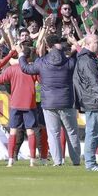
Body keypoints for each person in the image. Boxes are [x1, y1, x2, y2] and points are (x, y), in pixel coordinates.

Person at [19, 35, 82, 167]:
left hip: (49, 103)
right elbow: (82, 57)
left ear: (47, 46)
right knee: (72, 133)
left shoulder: (42, 62)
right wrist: (76, 44)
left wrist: (21, 55)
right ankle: (76, 161)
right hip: (66, 102)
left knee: (54, 134)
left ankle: (58, 161)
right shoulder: (69, 61)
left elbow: (26, 69)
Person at [0, 45, 41, 167]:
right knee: (30, 132)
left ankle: (10, 160)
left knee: (13, 132)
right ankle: (32, 160)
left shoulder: (12, 69)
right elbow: (43, 81)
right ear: (30, 56)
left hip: (15, 103)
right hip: (29, 104)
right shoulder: (33, 69)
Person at [74, 34, 98, 171]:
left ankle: (88, 153)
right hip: (94, 101)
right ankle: (90, 162)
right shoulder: (87, 60)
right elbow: (94, 82)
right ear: (88, 44)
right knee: (93, 131)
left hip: (95, 100)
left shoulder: (90, 59)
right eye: (97, 42)